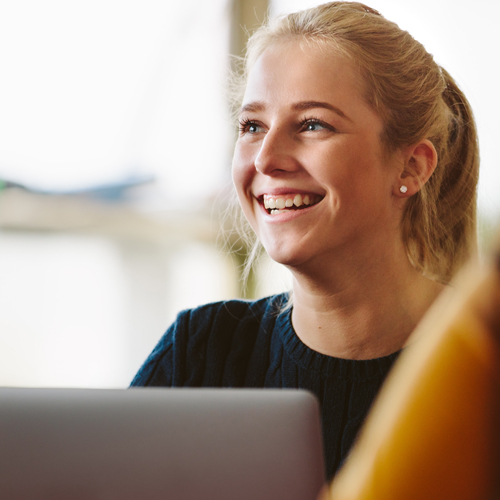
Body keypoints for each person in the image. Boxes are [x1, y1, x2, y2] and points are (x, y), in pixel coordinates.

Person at [131, 1, 479, 480]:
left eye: (313, 124)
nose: (266, 159)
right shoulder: (199, 353)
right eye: (252, 126)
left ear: (412, 166)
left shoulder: (480, 368)